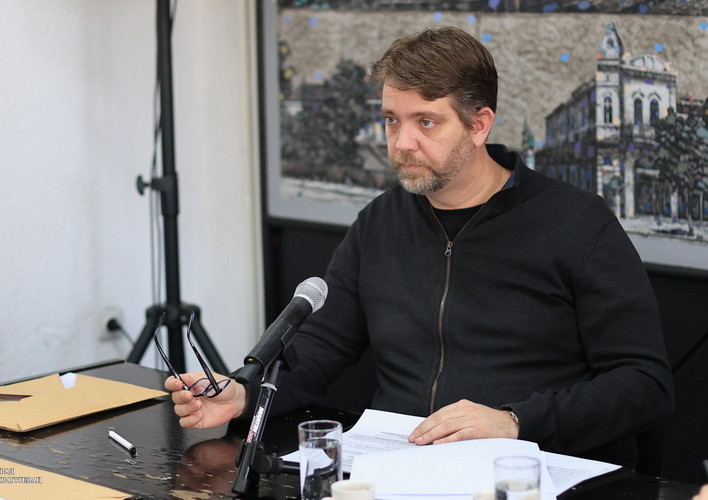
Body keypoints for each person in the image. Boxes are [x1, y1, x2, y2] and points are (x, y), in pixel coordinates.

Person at [166, 26, 673, 467]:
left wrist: (515, 421)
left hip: (527, 471)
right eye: (392, 119)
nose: (401, 142)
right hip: (398, 467)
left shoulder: (577, 223)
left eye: (425, 122)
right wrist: (244, 394)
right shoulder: (380, 222)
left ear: (479, 125)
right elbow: (321, 347)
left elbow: (644, 383)